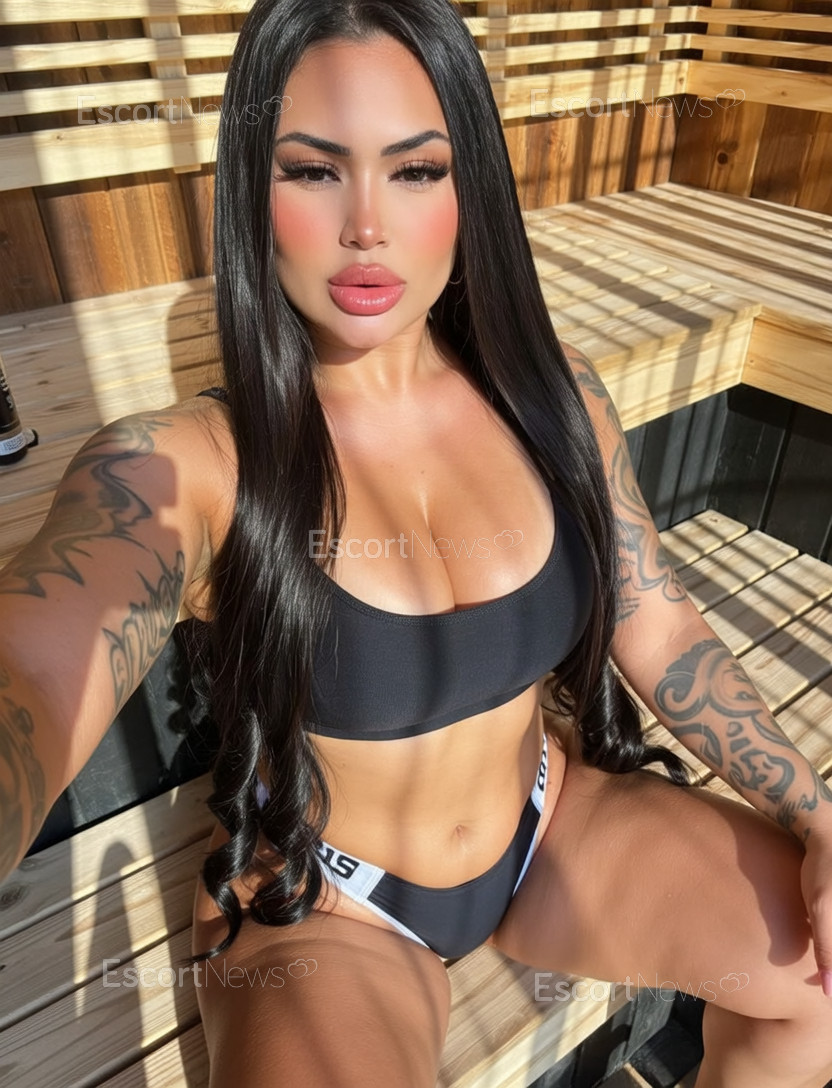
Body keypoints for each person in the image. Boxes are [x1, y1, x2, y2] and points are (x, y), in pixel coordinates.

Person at [1, 0, 831, 1084]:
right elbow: (34, 669)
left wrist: (817, 816)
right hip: (328, 900)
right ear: (252, 190)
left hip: (546, 821)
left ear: (466, 186)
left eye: (416, 170)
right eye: (313, 171)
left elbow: (659, 622)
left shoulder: (557, 399)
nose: (367, 225)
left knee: (820, 983)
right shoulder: (185, 465)